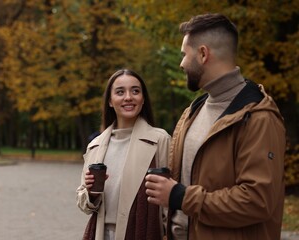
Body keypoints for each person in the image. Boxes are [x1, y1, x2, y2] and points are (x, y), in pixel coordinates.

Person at [145, 13, 286, 240]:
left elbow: (258, 201)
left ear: (203, 54)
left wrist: (181, 197)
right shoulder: (193, 111)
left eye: (184, 54)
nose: (181, 63)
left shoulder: (259, 118)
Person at [76, 69, 171, 240]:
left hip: (144, 233)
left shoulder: (160, 140)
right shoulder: (95, 146)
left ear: (143, 99)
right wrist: (91, 193)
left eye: (135, 91)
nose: (128, 97)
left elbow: (170, 201)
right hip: (101, 234)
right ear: (110, 102)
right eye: (120, 92)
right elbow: (84, 204)